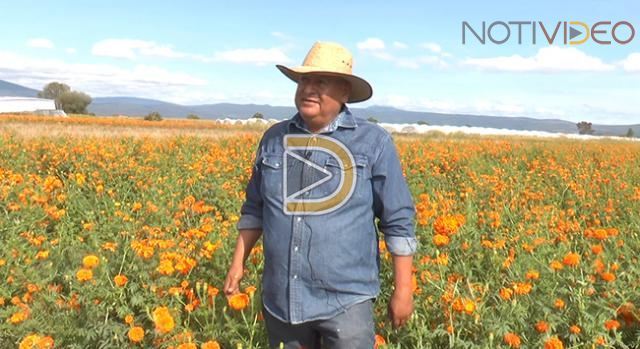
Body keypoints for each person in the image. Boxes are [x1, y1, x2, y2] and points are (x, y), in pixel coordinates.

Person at [224, 41, 417, 349]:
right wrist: (238, 263)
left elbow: (398, 220)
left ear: (344, 92)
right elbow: (255, 209)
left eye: (320, 82)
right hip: (282, 299)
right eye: (304, 81)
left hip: (346, 303)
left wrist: (403, 290)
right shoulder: (275, 138)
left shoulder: (372, 142)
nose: (308, 89)